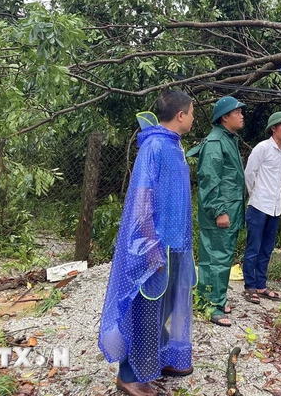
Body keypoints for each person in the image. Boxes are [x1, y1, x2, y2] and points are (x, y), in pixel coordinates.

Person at [98, 90, 196, 396]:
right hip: (156, 246)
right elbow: (142, 200)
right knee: (144, 310)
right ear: (181, 115)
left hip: (175, 242)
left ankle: (162, 352)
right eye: (192, 112)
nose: (193, 118)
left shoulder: (174, 146)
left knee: (165, 307)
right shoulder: (154, 146)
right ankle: (129, 376)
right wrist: (151, 247)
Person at [189, 96, 246, 327]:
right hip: (220, 213)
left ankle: (218, 300)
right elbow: (210, 181)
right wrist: (219, 211)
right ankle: (209, 305)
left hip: (230, 211)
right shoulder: (215, 143)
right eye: (237, 112)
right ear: (225, 117)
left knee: (222, 258)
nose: (242, 115)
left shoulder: (228, 139)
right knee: (214, 258)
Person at [241, 112, 281, 304]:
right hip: (258, 205)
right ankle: (249, 287)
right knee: (253, 247)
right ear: (274, 128)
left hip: (275, 207)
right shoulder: (262, 148)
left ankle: (261, 285)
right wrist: (255, 194)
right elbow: (249, 173)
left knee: (267, 248)